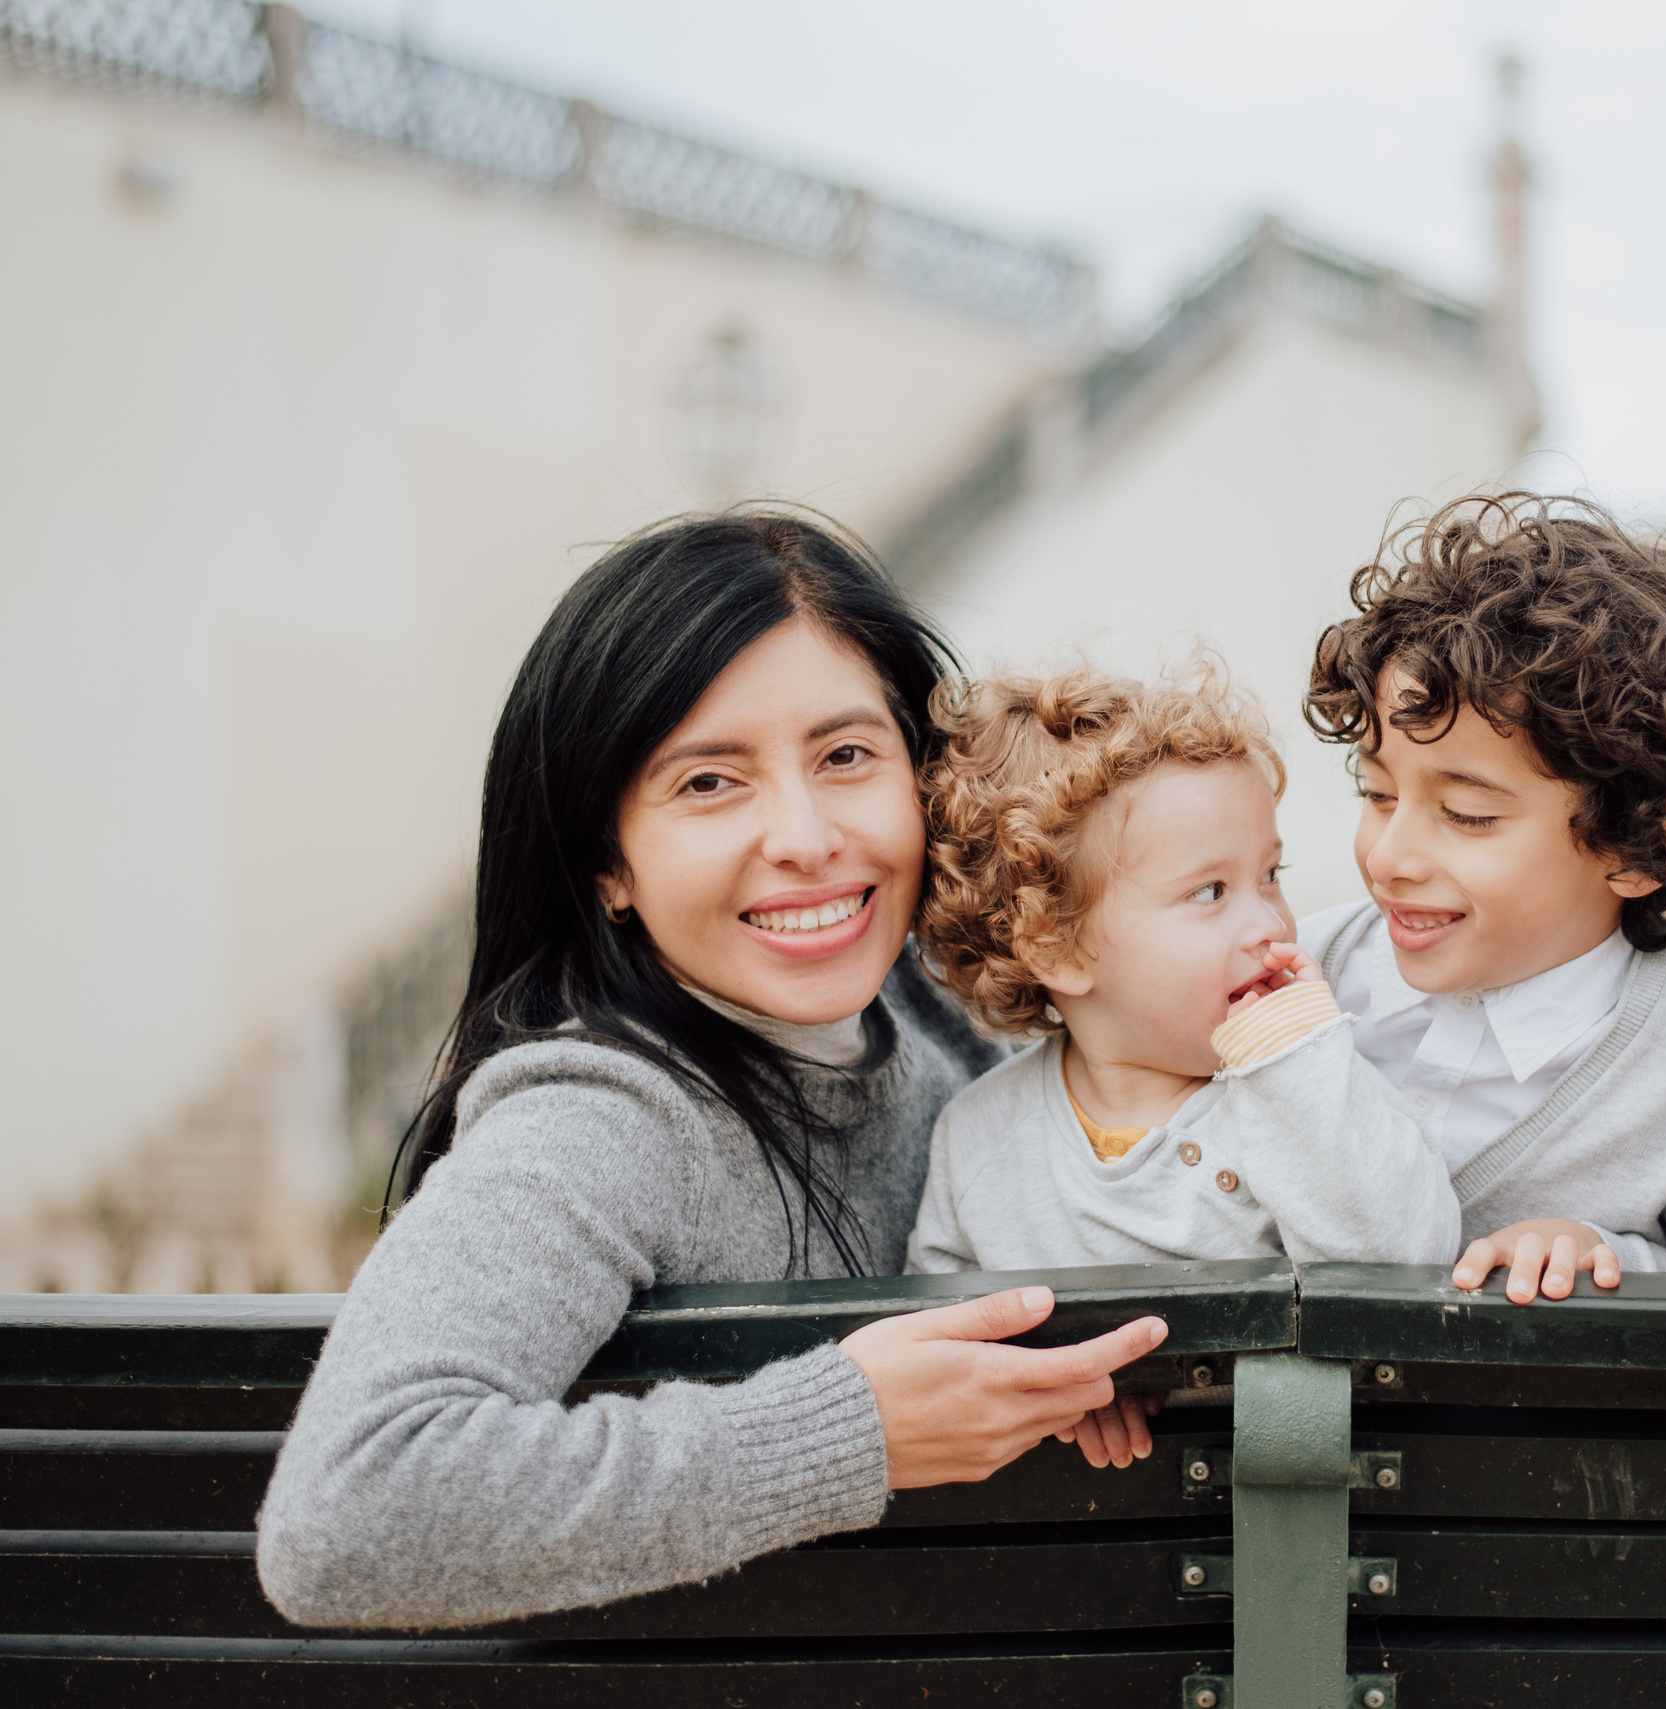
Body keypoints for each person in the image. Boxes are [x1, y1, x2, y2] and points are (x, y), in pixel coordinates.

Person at [256, 513, 1168, 1630]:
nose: (803, 834)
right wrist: (850, 1431)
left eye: (845, 755)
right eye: (706, 782)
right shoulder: (600, 1120)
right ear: (608, 865)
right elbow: (348, 1515)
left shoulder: (934, 1013)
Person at [1297, 493, 1666, 1303]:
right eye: (1375, 793)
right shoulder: (1301, 975)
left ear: (1646, 844)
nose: (1389, 855)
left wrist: (1615, 1262)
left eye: (1467, 814)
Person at [904, 664, 1461, 1278]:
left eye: (1270, 876)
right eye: (1209, 892)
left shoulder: (1307, 1090)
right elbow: (941, 1328)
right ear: (1054, 948)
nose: (1271, 926)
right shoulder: (979, 1138)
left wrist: (1299, 1067)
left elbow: (1409, 1262)